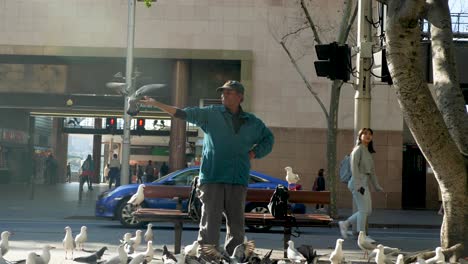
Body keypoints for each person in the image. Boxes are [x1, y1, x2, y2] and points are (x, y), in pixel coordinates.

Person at [140, 80, 274, 255]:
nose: (224, 95)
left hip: (237, 179)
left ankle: (235, 256)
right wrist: (156, 104)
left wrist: (255, 153)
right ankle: (208, 257)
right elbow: (182, 113)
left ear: (240, 97)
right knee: (210, 223)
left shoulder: (252, 122)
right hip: (213, 178)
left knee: (236, 225)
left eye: (229, 92)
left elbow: (268, 139)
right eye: (223, 92)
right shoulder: (211, 114)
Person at [339, 128, 383, 239]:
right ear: (360, 136)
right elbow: (354, 168)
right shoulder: (358, 149)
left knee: (367, 211)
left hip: (364, 183)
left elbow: (372, 172)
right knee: (363, 210)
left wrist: (377, 186)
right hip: (357, 183)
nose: (368, 136)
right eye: (365, 133)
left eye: (370, 134)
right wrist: (358, 185)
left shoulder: (367, 152)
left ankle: (345, 224)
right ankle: (361, 236)